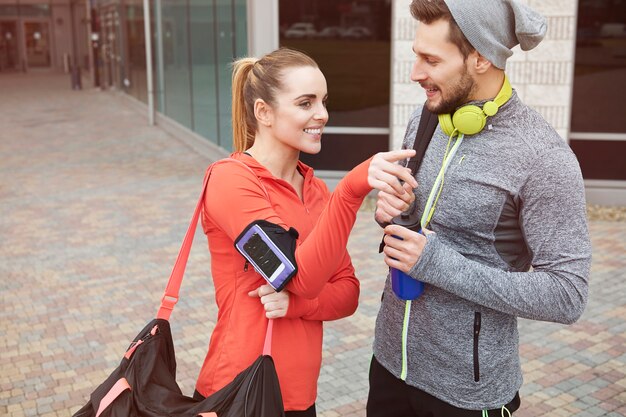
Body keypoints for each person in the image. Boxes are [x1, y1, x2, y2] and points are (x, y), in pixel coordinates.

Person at [368, 1, 592, 416]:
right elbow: (415, 222)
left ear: (481, 58)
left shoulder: (543, 158)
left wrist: (437, 264)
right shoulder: (428, 116)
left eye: (431, 60)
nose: (415, 73)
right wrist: (393, 211)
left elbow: (567, 295)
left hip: (468, 393)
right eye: (417, 55)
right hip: (389, 365)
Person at [194, 47, 418, 416]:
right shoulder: (230, 181)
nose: (322, 114)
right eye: (305, 103)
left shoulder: (314, 190)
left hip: (300, 399)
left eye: (324, 101)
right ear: (263, 112)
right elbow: (294, 275)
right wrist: (350, 190)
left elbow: (347, 293)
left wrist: (297, 306)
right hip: (238, 391)